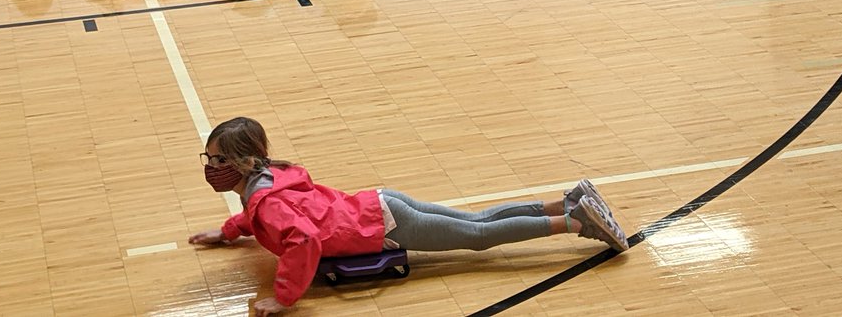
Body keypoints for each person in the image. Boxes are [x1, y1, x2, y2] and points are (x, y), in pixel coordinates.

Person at [188, 117, 628, 316]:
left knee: (479, 238)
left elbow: (303, 241)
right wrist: (228, 232)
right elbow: (259, 218)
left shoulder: (267, 201)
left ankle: (577, 222)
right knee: (476, 220)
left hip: (386, 225)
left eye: (218, 159)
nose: (211, 166)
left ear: (244, 163)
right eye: (209, 158)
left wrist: (284, 298)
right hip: (382, 202)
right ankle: (564, 202)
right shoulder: (269, 179)